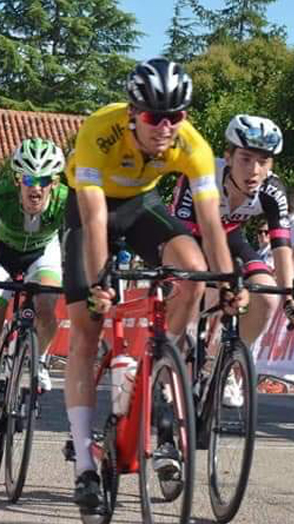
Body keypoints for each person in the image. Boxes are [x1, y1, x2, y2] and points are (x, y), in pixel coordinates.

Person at [61, 58, 247, 511]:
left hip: (142, 204)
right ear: (132, 113)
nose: (165, 127)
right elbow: (93, 215)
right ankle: (85, 462)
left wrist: (227, 283)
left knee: (192, 269)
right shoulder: (99, 132)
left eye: (175, 116)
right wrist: (101, 280)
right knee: (86, 327)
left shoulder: (192, 145)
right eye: (153, 118)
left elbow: (209, 221)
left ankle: (165, 366)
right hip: (91, 208)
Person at [0, 140, 67, 459]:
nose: (36, 188)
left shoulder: (66, 199)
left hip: (41, 253)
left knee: (48, 307)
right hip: (1, 255)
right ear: (16, 179)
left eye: (44, 180)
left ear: (56, 182)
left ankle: (38, 359)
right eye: (29, 180)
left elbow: (80, 240)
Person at [170, 114, 294, 356]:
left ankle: (229, 366)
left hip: (230, 238)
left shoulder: (273, 191)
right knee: (194, 289)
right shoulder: (202, 175)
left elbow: (281, 246)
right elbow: (180, 234)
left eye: (263, 161)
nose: (254, 170)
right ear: (228, 158)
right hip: (189, 237)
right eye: (245, 159)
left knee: (266, 297)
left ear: (271, 166)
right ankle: (176, 361)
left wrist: (288, 297)